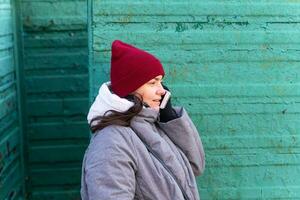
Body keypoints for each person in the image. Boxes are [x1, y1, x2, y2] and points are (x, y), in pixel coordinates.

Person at [80, 40, 205, 200]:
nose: (162, 90)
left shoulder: (153, 126)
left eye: (161, 81)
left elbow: (194, 166)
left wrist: (170, 118)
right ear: (130, 88)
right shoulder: (111, 142)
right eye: (152, 83)